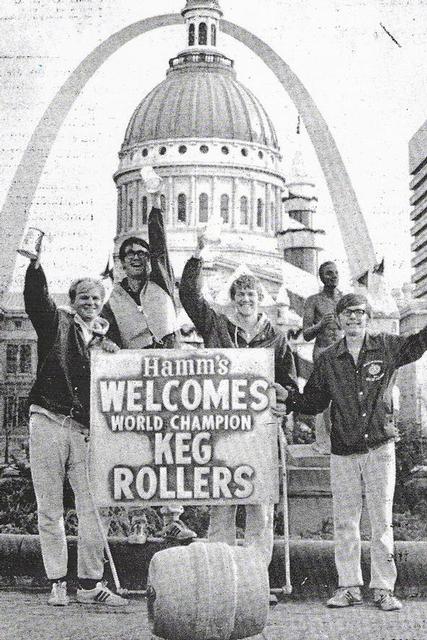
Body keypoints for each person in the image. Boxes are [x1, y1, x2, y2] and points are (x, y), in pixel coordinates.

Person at [277, 293, 427, 611]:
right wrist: (287, 397)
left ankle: (384, 589)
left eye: (360, 313)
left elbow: (418, 343)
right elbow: (314, 401)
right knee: (346, 521)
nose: (354, 319)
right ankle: (348, 586)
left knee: (382, 521)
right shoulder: (329, 358)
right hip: (343, 452)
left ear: (368, 317)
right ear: (340, 319)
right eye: (348, 314)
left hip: (380, 449)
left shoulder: (387, 345)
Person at [179, 229, 298, 563]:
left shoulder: (276, 337)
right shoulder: (216, 326)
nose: (246, 300)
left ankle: (257, 573)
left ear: (261, 300)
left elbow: (289, 385)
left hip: (261, 429)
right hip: (224, 425)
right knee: (223, 499)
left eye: (252, 295)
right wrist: (198, 254)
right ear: (232, 299)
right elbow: (189, 295)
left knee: (260, 504)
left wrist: (282, 394)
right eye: (240, 295)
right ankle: (221, 569)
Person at [24, 254, 128, 607]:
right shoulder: (58, 324)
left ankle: (88, 583)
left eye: (97, 299)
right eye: (84, 296)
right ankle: (56, 581)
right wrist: (37, 265)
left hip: (84, 431)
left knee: (93, 505)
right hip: (49, 421)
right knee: (49, 506)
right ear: (73, 300)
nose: (91, 303)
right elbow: (38, 301)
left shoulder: (105, 342)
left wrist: (111, 359)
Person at [101, 188, 196, 542]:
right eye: (130, 255)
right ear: (121, 262)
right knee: (136, 448)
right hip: (137, 380)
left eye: (141, 253)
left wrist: (155, 206)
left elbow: (160, 245)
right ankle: (138, 518)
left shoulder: (162, 282)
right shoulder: (112, 300)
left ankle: (172, 517)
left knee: (172, 447)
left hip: (170, 376)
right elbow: (103, 334)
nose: (137, 258)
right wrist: (106, 343)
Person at [302, 261, 343, 453]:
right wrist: (320, 325)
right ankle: (323, 441)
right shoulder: (313, 300)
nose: (333, 276)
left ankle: (341, 438)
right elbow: (306, 334)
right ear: (321, 277)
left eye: (335, 272)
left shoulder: (345, 299)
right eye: (328, 273)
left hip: (343, 354)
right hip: (323, 352)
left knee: (343, 397)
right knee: (324, 398)